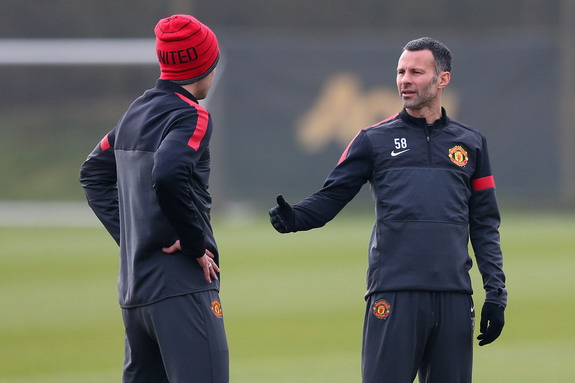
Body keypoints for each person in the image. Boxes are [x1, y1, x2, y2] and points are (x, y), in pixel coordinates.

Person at [269, 37, 506, 383]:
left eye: (415, 72)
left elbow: (484, 223)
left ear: (442, 79)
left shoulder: (471, 143)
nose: (404, 80)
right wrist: (295, 218)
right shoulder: (372, 140)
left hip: (454, 295)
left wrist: (496, 293)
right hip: (394, 293)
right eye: (400, 71)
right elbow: (332, 196)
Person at [80, 14, 228, 383]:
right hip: (180, 288)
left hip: (136, 293)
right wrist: (194, 243)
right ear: (205, 63)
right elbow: (168, 173)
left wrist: (134, 234)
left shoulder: (135, 113)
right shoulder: (191, 116)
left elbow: (93, 174)